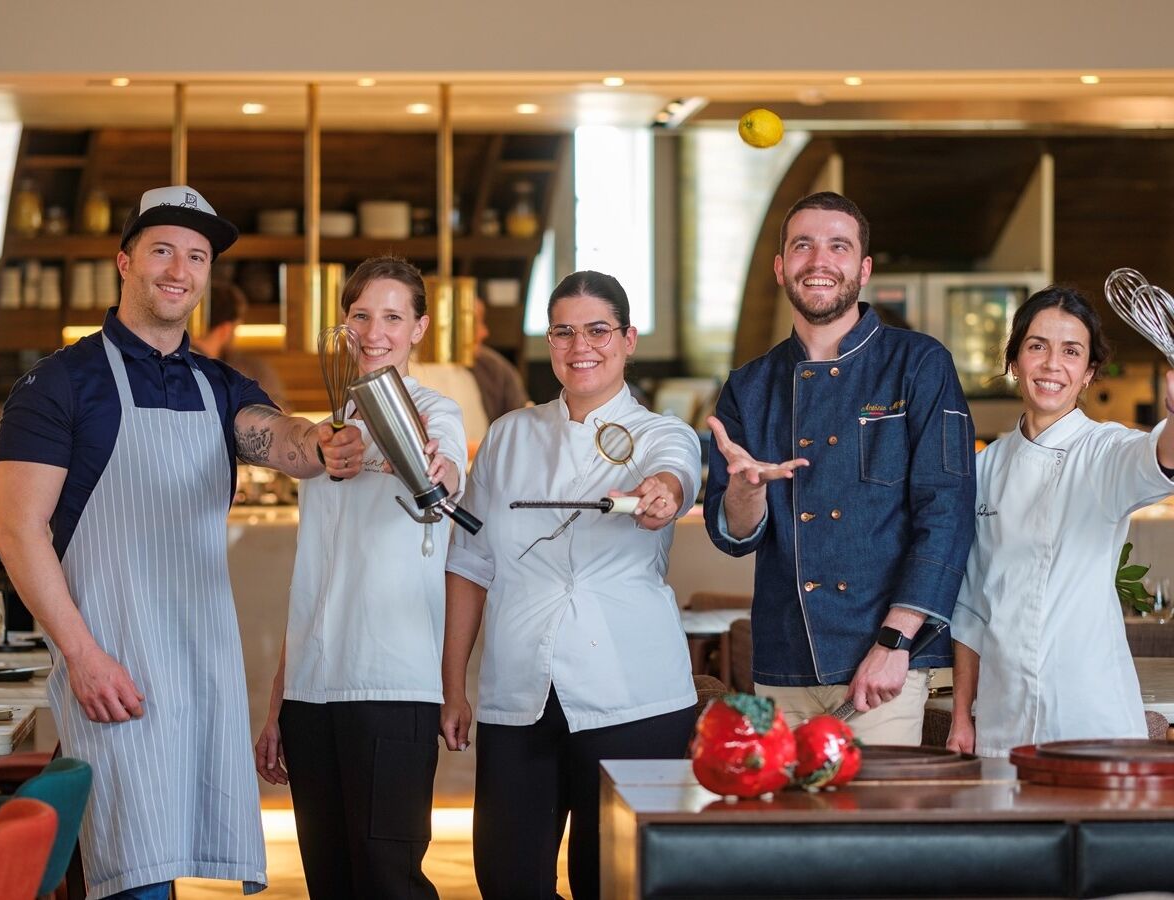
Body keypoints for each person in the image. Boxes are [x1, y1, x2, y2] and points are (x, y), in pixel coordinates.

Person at [0, 184, 364, 900]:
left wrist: (321, 442)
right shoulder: (59, 384)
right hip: (110, 667)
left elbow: (278, 436)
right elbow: (18, 532)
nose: (179, 268)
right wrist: (82, 655)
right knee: (130, 874)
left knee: (176, 857)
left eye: (196, 256)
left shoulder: (220, 385)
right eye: (162, 249)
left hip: (200, 668)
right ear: (125, 260)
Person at [442, 271, 700, 899]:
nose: (580, 344)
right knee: (506, 878)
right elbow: (470, 564)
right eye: (564, 331)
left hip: (635, 694)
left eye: (598, 330)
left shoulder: (662, 431)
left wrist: (663, 493)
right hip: (519, 692)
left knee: (614, 880)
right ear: (549, 342)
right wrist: (453, 686)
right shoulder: (507, 436)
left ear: (629, 339)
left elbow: (676, 472)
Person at [704, 191, 975, 744]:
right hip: (783, 662)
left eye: (838, 246)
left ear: (863, 268)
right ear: (781, 267)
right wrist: (746, 491)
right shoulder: (749, 387)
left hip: (884, 667)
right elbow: (732, 535)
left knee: (869, 827)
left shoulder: (920, 364)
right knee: (789, 828)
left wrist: (896, 643)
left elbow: (947, 514)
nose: (819, 260)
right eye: (802, 246)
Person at [254, 256, 466, 899]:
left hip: (393, 684)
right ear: (345, 327)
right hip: (313, 693)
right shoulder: (328, 432)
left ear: (420, 328)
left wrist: (434, 469)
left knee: (389, 880)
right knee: (331, 881)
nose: (376, 331)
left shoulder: (437, 413)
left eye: (393, 317)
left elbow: (444, 469)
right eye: (362, 316)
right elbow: (316, 580)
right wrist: (276, 707)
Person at [948, 287, 1174, 757]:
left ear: (1088, 372)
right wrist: (961, 716)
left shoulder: (1103, 451)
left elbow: (1157, 459)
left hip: (1090, 711)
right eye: (1038, 346)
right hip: (1002, 716)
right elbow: (970, 608)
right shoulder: (985, 468)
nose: (1053, 365)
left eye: (1071, 351)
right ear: (1014, 362)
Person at [194, 279, 290, 411]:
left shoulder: (167, 363)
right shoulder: (252, 371)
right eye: (236, 326)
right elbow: (280, 417)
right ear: (226, 329)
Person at [469, 295, 529, 422]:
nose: (484, 332)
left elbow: (521, 424)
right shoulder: (420, 372)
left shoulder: (496, 369)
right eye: (474, 322)